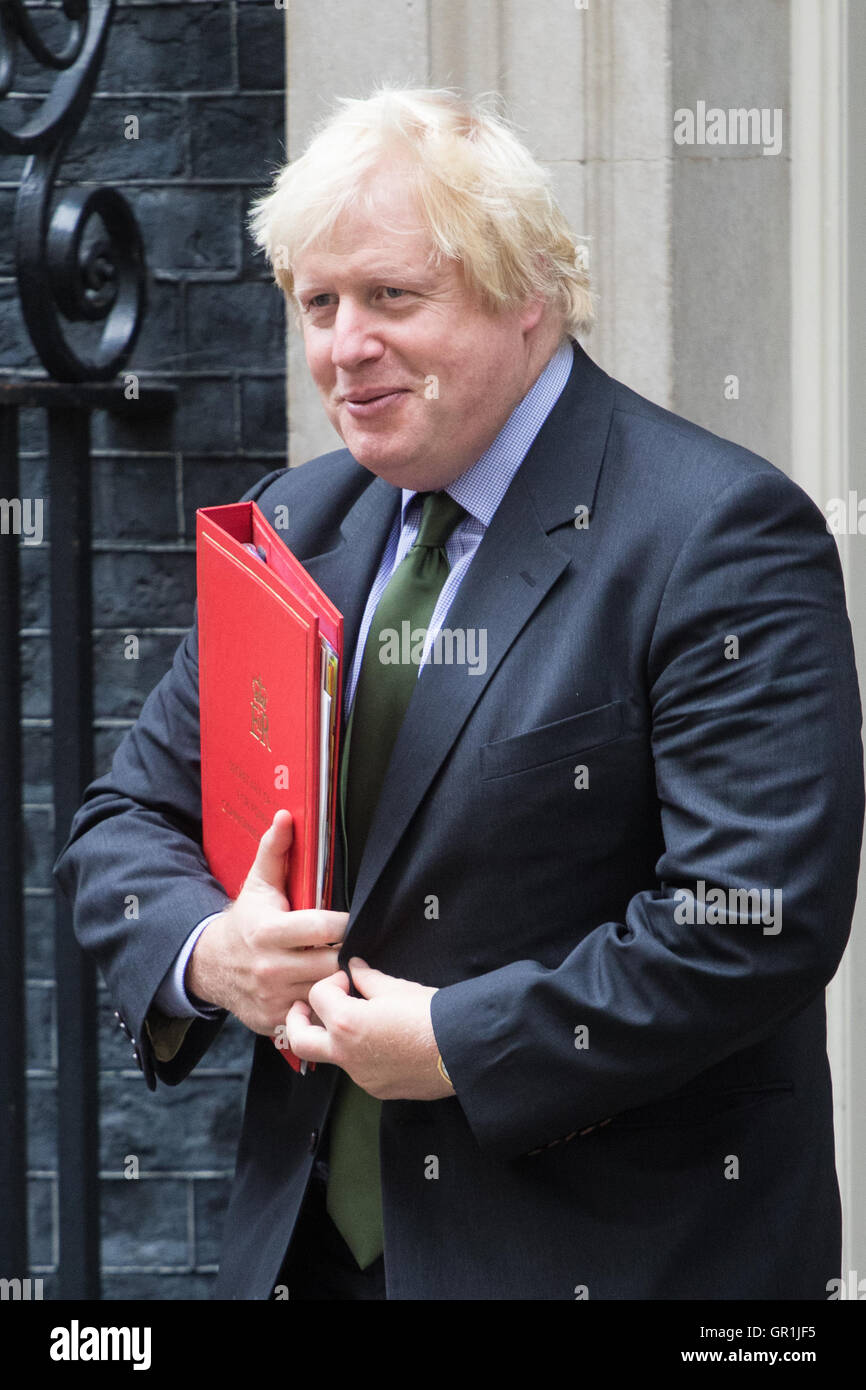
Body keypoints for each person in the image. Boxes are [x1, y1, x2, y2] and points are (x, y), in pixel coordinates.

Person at [55, 87, 864, 1301]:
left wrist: (457, 1044)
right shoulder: (295, 520)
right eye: (318, 303)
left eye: (390, 296)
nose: (343, 345)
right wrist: (211, 949)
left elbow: (749, 914)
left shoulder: (714, 533)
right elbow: (123, 823)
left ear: (528, 290)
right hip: (304, 1258)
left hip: (615, 1259)